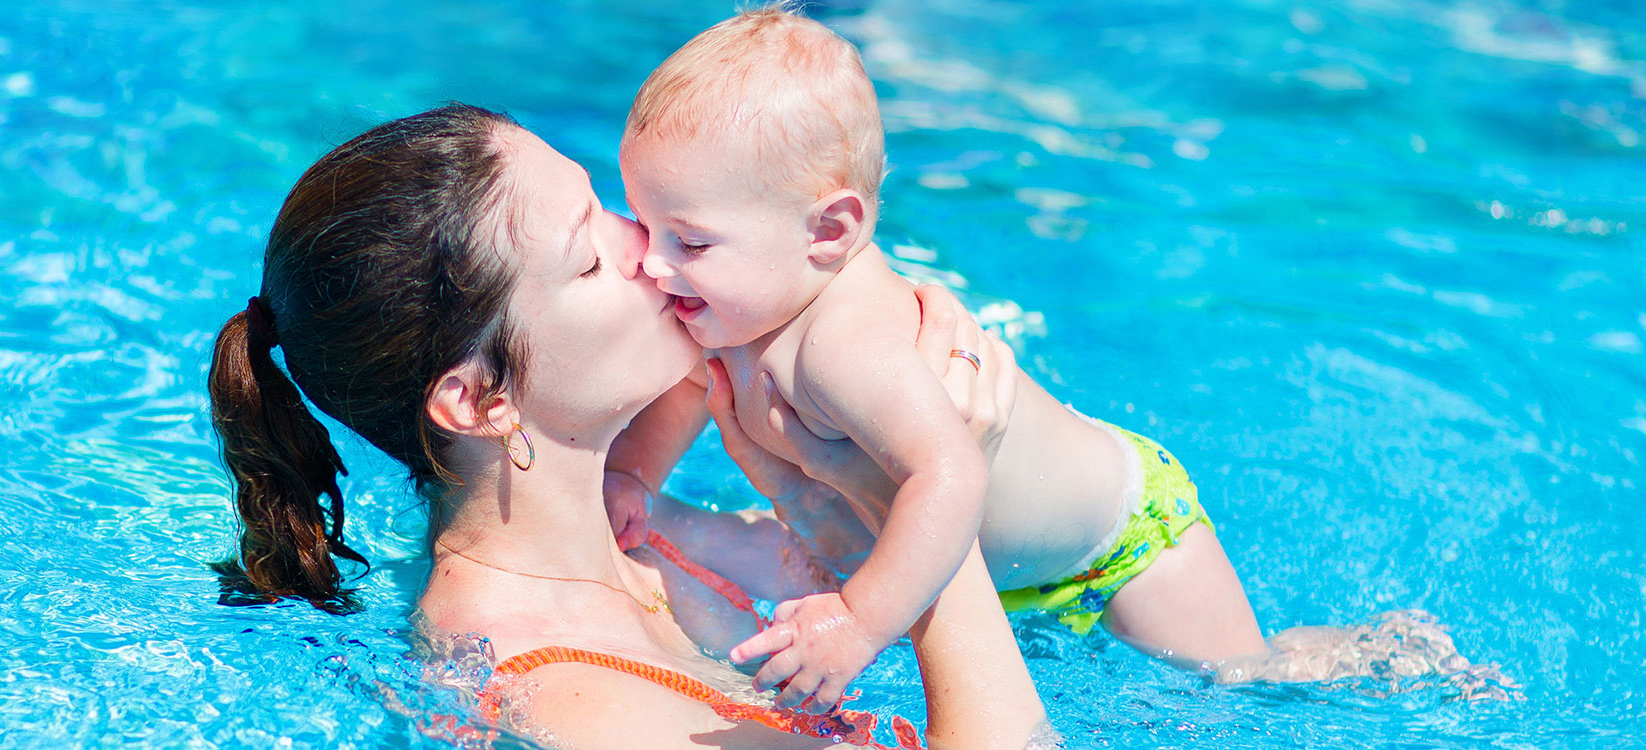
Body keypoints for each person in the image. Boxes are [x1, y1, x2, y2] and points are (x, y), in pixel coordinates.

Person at [205, 103, 1048, 748]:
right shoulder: (567, 701)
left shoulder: (634, 532)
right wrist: (937, 491)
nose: (648, 247)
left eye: (603, 203)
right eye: (590, 258)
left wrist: (876, 435)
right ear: (482, 400)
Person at [601, 8, 1271, 711]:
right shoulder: (742, 298)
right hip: (999, 572)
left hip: (1126, 549)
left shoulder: (843, 345)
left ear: (828, 232)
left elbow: (950, 476)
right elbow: (684, 389)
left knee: (1252, 693)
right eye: (644, 225)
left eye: (691, 243)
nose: (652, 262)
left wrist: (858, 622)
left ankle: (1372, 652)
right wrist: (632, 475)